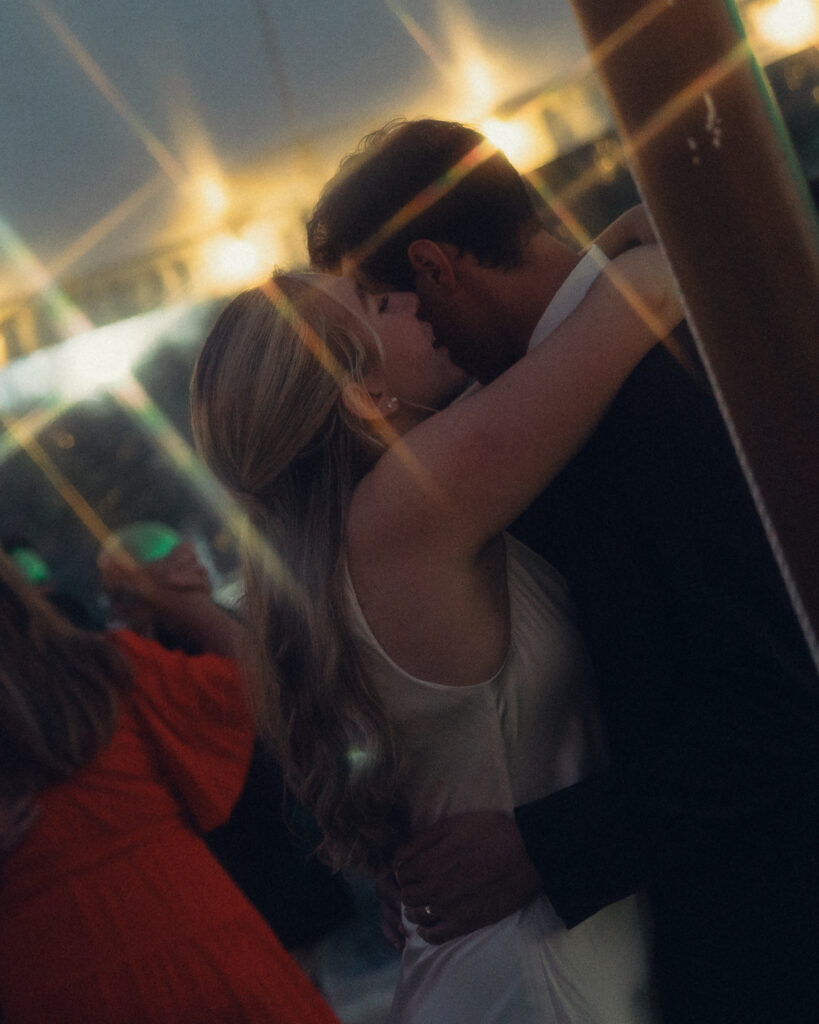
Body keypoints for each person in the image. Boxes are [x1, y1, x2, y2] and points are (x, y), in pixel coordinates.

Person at [306, 118, 819, 1024]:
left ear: (433, 267)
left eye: (383, 304)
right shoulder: (575, 375)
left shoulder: (645, 383)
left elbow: (780, 689)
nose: (396, 339)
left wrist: (545, 847)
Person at [190, 221, 683, 1021]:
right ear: (359, 391)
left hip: (500, 953)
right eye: (382, 303)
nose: (415, 301)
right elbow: (650, 294)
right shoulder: (403, 511)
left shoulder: (344, 544)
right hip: (540, 969)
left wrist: (590, 254)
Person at [0, 548, 340, 1024]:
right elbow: (260, 688)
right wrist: (180, 602)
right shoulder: (105, 671)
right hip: (204, 948)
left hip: (52, 980)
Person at [97, 522, 356, 983]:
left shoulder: (202, 634)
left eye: (123, 597)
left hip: (268, 843)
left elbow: (264, 696)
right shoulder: (150, 655)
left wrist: (180, 601)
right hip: (250, 845)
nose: (117, 613)